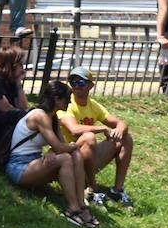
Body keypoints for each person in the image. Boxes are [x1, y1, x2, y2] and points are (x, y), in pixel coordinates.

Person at [4, 80, 97, 228]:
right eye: (67, 98)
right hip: (19, 166)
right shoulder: (39, 115)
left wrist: (54, 150)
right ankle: (72, 210)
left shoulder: (53, 118)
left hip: (35, 162)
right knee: (66, 157)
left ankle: (81, 205)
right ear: (57, 99)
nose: (70, 102)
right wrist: (62, 148)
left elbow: (59, 146)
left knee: (76, 154)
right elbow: (61, 148)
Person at [57, 66, 135, 208]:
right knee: (89, 137)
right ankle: (92, 190)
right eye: (72, 82)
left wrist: (120, 128)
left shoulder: (93, 105)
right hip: (69, 159)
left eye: (80, 82)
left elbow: (120, 123)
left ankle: (117, 191)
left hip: (88, 157)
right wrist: (101, 128)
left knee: (126, 138)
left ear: (90, 85)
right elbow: (74, 130)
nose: (76, 86)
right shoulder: (66, 104)